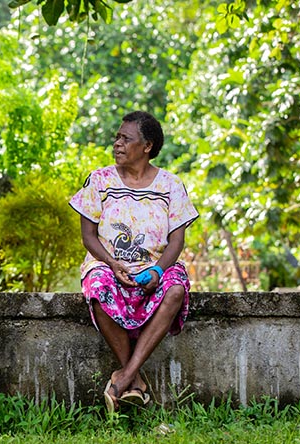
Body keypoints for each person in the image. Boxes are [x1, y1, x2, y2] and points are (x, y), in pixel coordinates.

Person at [68, 111, 199, 413]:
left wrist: (157, 270)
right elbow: (88, 236)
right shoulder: (99, 180)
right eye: (116, 137)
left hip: (155, 267)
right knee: (97, 285)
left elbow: (177, 241)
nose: (117, 144)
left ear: (147, 146)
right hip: (108, 265)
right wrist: (113, 264)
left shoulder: (171, 185)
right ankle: (135, 381)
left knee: (176, 288)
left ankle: (123, 377)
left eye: (126, 139)